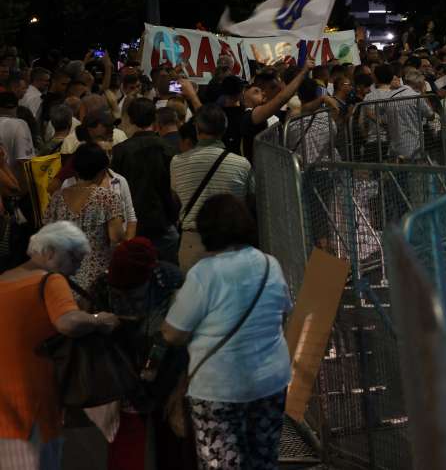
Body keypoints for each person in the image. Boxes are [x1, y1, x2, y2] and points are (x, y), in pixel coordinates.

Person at [161, 195, 292, 470]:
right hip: (270, 380)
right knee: (264, 460)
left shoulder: (203, 274)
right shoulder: (270, 264)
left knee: (221, 463)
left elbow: (172, 334)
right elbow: (282, 313)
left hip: (218, 388)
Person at [0, 221, 119, 469]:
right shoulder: (51, 280)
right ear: (51, 252)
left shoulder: (3, 280)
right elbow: (68, 322)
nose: (75, 270)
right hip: (33, 403)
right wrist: (99, 320)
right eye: (75, 259)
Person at [92, 238, 189, 470]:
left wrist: (178, 389)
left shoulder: (171, 281)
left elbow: (181, 339)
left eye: (133, 297)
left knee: (172, 445)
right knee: (127, 446)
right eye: (118, 296)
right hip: (124, 377)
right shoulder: (101, 286)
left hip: (166, 370)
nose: (126, 305)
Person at [171, 104, 252, 271]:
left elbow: (176, 199)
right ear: (224, 129)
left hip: (193, 242)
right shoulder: (242, 165)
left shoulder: (177, 163)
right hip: (231, 244)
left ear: (197, 129)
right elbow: (249, 201)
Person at [44, 142, 126, 292]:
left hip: (63, 277)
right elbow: (116, 237)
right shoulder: (107, 198)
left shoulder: (57, 198)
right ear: (102, 170)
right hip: (96, 279)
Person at [112, 98, 181, 263]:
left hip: (133, 224)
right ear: (155, 119)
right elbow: (174, 188)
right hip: (163, 221)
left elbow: (115, 189)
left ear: (131, 119)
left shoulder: (120, 151)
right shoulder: (168, 148)